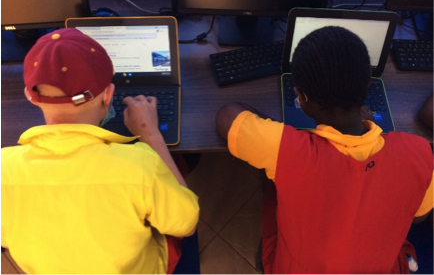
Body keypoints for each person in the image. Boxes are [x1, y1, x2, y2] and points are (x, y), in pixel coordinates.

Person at [216, 26, 434, 275]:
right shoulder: (418, 150)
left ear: (300, 97)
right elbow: (418, 217)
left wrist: (286, 134)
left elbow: (227, 115)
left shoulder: (287, 151)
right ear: (367, 85)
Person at [1, 28, 199, 275]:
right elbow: (187, 225)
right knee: (182, 176)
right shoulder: (140, 164)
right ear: (109, 94)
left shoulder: (3, 169)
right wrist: (151, 136)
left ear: (31, 97)